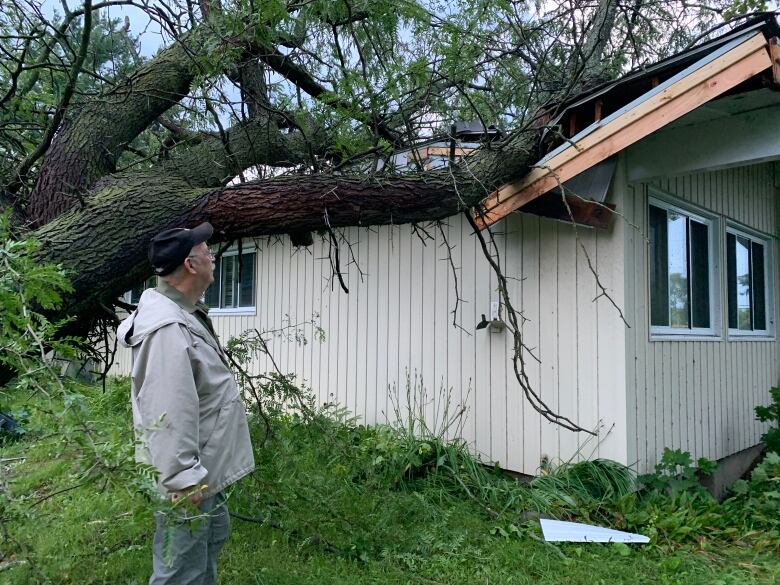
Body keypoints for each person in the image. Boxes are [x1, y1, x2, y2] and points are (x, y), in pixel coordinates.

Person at [117, 222, 255, 585]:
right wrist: (182, 480)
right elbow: (167, 410)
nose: (213, 258)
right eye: (208, 252)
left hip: (204, 469)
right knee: (181, 572)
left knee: (203, 554)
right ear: (191, 265)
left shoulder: (187, 314)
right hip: (189, 481)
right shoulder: (168, 329)